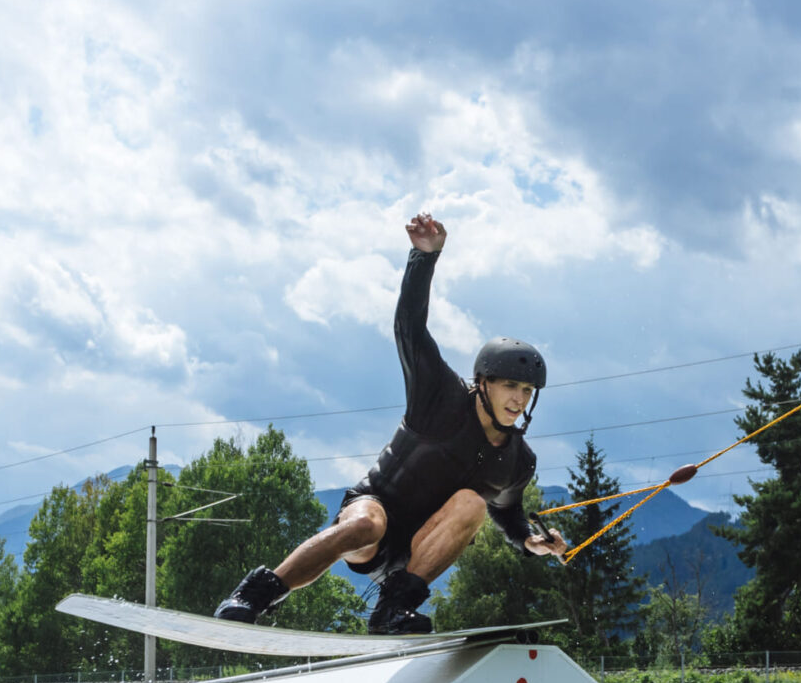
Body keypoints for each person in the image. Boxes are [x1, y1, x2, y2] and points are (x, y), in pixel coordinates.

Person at [216, 212, 568, 633]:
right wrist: (424, 258)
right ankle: (256, 595)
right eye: (510, 385)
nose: (519, 398)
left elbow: (509, 514)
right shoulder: (439, 395)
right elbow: (410, 328)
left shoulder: (517, 461)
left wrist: (532, 542)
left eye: (528, 391)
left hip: (417, 554)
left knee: (473, 503)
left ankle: (392, 611)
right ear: (483, 382)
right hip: (372, 518)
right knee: (367, 524)